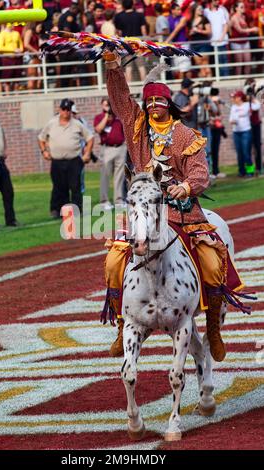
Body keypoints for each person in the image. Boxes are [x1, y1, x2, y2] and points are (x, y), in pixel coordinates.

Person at [101, 49, 244, 362]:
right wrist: (112, 65)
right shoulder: (137, 128)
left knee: (211, 261)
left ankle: (214, 329)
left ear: (169, 105)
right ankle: (122, 324)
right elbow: (121, 98)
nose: (153, 107)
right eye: (149, 102)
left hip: (183, 213)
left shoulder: (186, 135)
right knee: (113, 263)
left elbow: (200, 174)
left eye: (159, 102)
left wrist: (186, 186)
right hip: (145, 212)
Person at [38, 98, 94, 217]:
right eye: (63, 109)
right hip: (57, 161)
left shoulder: (77, 124)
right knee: (59, 186)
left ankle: (77, 210)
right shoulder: (52, 123)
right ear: (59, 110)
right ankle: (58, 210)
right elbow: (41, 138)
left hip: (74, 160)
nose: (66, 112)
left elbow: (90, 137)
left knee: (75, 186)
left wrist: (87, 153)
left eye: (68, 110)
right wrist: (44, 151)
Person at [94, 98, 126, 210]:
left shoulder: (118, 117)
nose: (107, 107)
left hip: (120, 148)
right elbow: (98, 129)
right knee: (105, 175)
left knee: (119, 176)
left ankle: (119, 200)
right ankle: (104, 201)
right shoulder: (99, 117)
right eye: (105, 105)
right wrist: (107, 116)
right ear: (102, 105)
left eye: (109, 105)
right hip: (107, 149)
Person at [114, 0, 147, 82]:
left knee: (128, 67)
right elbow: (143, 31)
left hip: (127, 44)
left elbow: (118, 32)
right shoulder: (140, 15)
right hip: (138, 44)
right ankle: (145, 88)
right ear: (133, 5)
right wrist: (145, 43)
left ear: (123, 6)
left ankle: (130, 89)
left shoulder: (119, 17)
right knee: (141, 66)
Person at [229, 89, 260, 177]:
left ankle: (250, 171)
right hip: (236, 133)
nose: (233, 99)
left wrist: (252, 98)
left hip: (246, 132)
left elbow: (257, 106)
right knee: (239, 153)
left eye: (235, 97)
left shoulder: (247, 105)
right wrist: (233, 121)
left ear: (240, 97)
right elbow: (231, 119)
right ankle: (241, 171)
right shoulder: (233, 107)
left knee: (246, 152)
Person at [229, 2, 258, 76]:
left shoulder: (243, 17)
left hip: (245, 41)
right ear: (236, 8)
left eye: (244, 7)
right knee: (239, 63)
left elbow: (245, 29)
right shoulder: (234, 18)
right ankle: (238, 80)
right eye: (241, 7)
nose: (243, 8)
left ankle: (247, 79)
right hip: (236, 42)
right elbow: (240, 30)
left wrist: (250, 30)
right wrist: (252, 29)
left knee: (248, 62)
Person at [204, 0, 230, 77]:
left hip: (221, 41)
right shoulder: (206, 11)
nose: (217, 1)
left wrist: (222, 37)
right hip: (211, 42)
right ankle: (218, 78)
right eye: (215, 0)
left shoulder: (221, 10)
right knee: (214, 62)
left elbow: (225, 25)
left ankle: (225, 78)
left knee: (223, 61)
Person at [166, 2, 192, 79]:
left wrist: (167, 41)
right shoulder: (168, 19)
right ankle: (182, 84)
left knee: (185, 67)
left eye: (180, 9)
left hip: (183, 44)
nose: (180, 11)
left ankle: (185, 84)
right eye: (177, 10)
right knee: (178, 67)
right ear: (172, 10)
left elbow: (176, 30)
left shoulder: (182, 18)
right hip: (174, 45)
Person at [0, 23, 24, 94]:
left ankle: (16, 94)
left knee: (17, 78)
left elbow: (21, 45)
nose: (13, 25)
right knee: (7, 79)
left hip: (17, 58)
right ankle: (7, 94)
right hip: (7, 58)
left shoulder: (16, 33)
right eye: (11, 23)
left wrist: (20, 51)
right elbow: (0, 47)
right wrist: (13, 50)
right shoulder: (2, 34)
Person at [187, 3, 212, 78]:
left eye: (202, 9)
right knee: (199, 64)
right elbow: (188, 33)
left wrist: (198, 30)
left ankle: (209, 81)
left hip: (203, 43)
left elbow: (209, 31)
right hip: (194, 44)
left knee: (205, 63)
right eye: (199, 9)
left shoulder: (205, 19)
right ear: (194, 10)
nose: (201, 10)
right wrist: (191, 32)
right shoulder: (190, 21)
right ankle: (204, 82)